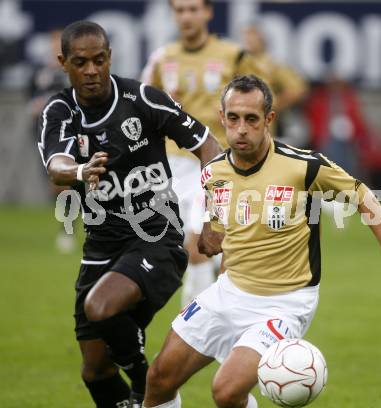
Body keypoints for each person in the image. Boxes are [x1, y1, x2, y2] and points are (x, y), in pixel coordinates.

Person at [142, 75, 381, 408]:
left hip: (285, 304)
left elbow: (364, 197)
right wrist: (216, 278)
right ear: (222, 118)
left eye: (251, 119)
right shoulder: (214, 173)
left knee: (226, 392)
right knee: (158, 379)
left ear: (269, 120)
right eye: (233, 118)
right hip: (230, 291)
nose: (241, 128)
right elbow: (226, 235)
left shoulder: (303, 166)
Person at [37, 20, 220, 408]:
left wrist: (212, 215)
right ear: (63, 63)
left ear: (109, 58)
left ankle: (148, 387)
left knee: (100, 307)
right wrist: (80, 172)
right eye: (81, 62)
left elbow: (209, 146)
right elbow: (56, 165)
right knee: (95, 371)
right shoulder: (60, 111)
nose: (91, 71)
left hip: (158, 239)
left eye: (99, 60)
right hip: (101, 246)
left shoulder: (142, 100)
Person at [140, 0, 268, 307]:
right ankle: (213, 310)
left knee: (198, 244)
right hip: (171, 165)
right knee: (192, 249)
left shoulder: (233, 56)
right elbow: (141, 108)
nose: (187, 16)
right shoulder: (162, 58)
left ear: (208, 12)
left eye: (193, 9)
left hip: (216, 162)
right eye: (180, 10)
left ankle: (193, 323)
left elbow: (260, 106)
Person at [29, 28, 76, 252]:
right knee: (57, 185)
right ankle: (68, 226)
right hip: (44, 135)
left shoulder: (74, 73)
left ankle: (67, 229)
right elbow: (30, 100)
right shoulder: (39, 73)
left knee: (67, 182)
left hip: (71, 134)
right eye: (53, 43)